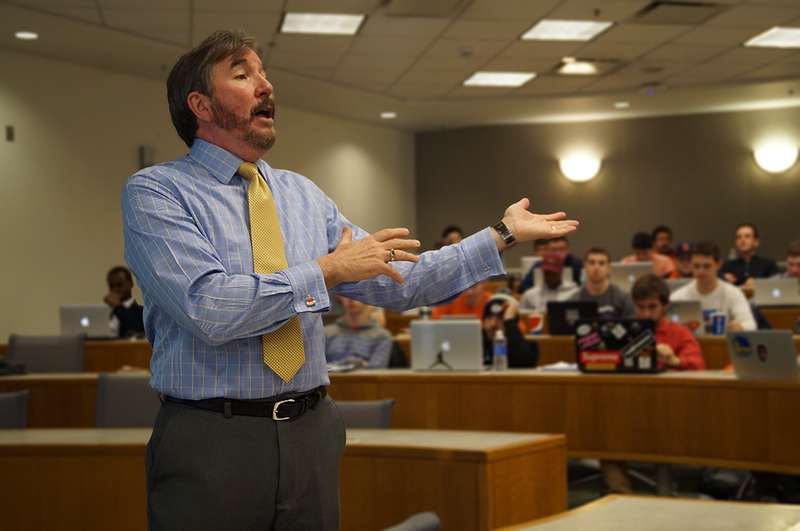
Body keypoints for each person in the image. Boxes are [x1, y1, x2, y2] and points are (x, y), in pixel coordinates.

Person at [120, 30, 579, 531]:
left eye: (264, 72)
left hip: (310, 432)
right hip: (212, 439)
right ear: (200, 105)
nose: (266, 85)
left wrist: (500, 235)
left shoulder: (303, 196)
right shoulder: (158, 192)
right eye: (243, 73)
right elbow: (210, 307)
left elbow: (402, 283)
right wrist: (329, 270)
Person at [601, 273, 705, 494]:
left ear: (665, 305)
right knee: (605, 436)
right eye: (641, 307)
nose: (646, 313)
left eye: (652, 307)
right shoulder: (625, 332)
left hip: (670, 412)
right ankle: (623, 502)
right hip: (630, 409)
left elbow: (699, 366)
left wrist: (676, 360)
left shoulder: (680, 333)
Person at [671, 241, 757, 332]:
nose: (701, 272)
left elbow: (750, 324)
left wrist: (741, 327)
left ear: (718, 264)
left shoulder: (733, 293)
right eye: (696, 266)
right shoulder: (679, 296)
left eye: (707, 266)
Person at [324, 296, 392, 368]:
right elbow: (319, 369)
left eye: (357, 294)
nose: (350, 299)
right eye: (345, 294)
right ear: (340, 298)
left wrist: (333, 366)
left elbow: (375, 370)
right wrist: (358, 362)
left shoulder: (382, 336)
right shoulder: (326, 333)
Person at [568, 247, 635, 319]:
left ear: (609, 267)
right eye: (591, 262)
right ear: (585, 266)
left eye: (601, 263)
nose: (596, 267)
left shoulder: (624, 298)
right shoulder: (573, 300)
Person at [481, 293, 538, 367]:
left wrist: (509, 320)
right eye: (489, 317)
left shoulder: (527, 347)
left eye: (500, 318)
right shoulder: (476, 342)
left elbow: (526, 362)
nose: (493, 324)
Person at [517, 236, 582, 293]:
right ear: (548, 251)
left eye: (561, 249)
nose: (557, 253)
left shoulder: (576, 264)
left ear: (568, 250)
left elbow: (584, 286)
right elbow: (523, 288)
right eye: (554, 250)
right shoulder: (540, 264)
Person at [104, 266, 145, 339]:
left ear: (131, 284)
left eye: (119, 285)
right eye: (111, 286)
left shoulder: (142, 312)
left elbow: (137, 330)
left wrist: (119, 306)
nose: (115, 289)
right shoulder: (106, 313)